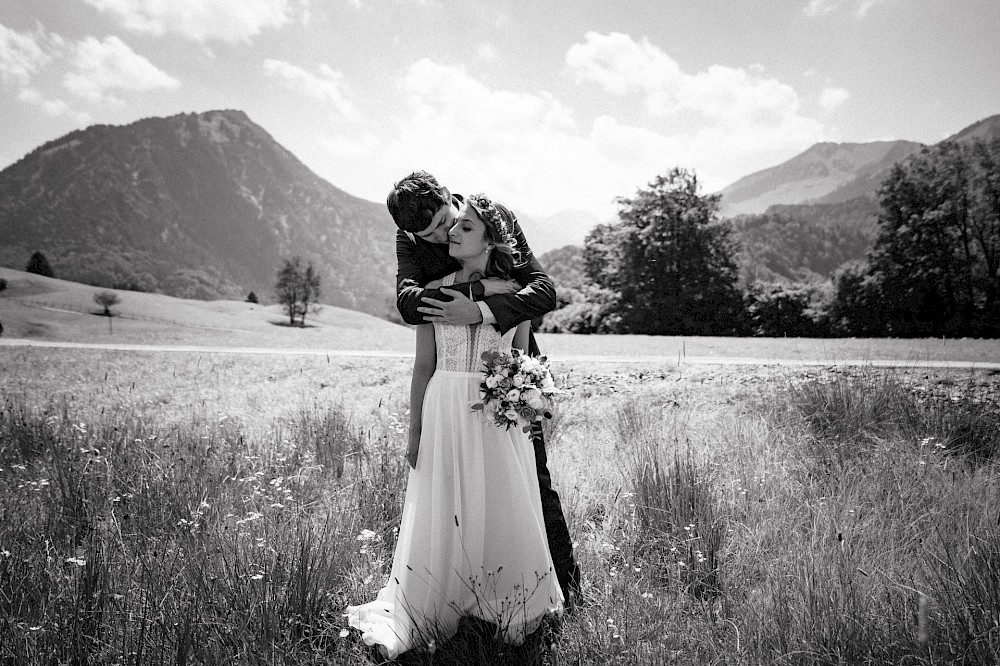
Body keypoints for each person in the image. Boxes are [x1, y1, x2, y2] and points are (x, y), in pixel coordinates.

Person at [346, 194, 563, 658]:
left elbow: (519, 357)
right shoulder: (431, 289)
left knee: (505, 502)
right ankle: (432, 599)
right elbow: (422, 366)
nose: (450, 235)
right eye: (447, 230)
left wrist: (522, 399)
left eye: (462, 227)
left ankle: (509, 598)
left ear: (487, 238)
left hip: (493, 416)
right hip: (443, 408)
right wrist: (415, 431)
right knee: (444, 503)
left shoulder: (513, 292)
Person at [387, 171, 581, 604]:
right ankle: (459, 588)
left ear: (446, 198)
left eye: (446, 222)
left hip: (507, 359)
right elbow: (407, 303)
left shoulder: (493, 216)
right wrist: (470, 290)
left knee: (532, 476)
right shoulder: (411, 240)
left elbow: (544, 291)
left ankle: (561, 584)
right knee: (454, 484)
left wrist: (482, 309)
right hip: (448, 373)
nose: (443, 236)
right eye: (430, 234)